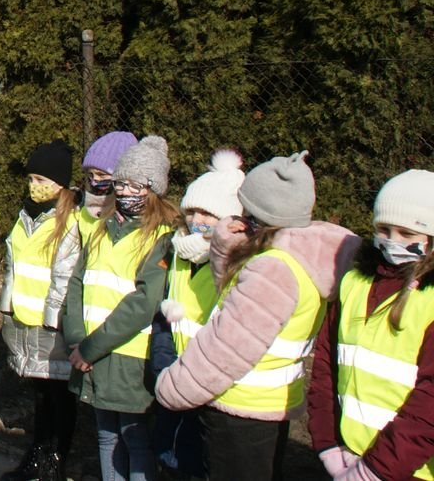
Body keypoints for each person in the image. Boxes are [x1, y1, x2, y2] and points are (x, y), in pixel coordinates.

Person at [155, 151, 361, 481]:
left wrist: (171, 387)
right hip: (271, 403)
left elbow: (228, 347)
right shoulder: (300, 257)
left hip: (240, 406)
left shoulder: (272, 270)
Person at [62, 135, 177, 481]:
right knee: (105, 435)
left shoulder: (162, 237)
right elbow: (77, 283)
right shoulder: (100, 229)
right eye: (121, 183)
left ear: (153, 189)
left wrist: (91, 346)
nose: (125, 191)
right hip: (89, 353)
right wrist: (75, 337)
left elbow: (143, 302)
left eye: (136, 185)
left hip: (129, 357)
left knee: (135, 438)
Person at [308, 169, 434, 481]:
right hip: (346, 455)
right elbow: (325, 366)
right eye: (384, 229)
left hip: (408, 469)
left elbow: (428, 404)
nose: (392, 241)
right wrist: (326, 443)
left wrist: (375, 470)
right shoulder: (353, 282)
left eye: (407, 233)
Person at [150, 149, 245, 479]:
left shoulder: (237, 266)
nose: (197, 221)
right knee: (169, 453)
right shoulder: (178, 252)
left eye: (209, 214)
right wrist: (162, 367)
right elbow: (164, 314)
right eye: (192, 211)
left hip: (208, 384)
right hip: (173, 373)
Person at [0, 140, 81, 481]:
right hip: (26, 322)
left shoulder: (70, 224)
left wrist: (55, 321)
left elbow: (64, 278)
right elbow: (14, 267)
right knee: (41, 397)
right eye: (31, 179)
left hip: (54, 327)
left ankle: (55, 461)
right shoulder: (25, 218)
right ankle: (37, 454)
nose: (34, 186)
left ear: (60, 185)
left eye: (41, 180)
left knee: (59, 397)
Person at [79, 131, 138, 240]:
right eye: (91, 174)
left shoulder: (132, 219)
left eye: (102, 175)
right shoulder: (84, 212)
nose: (94, 181)